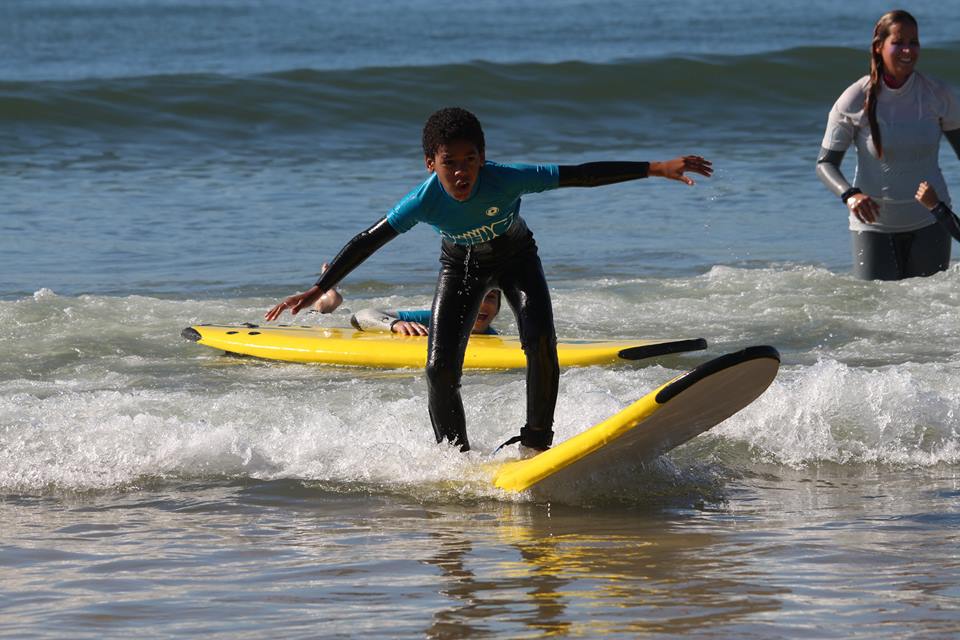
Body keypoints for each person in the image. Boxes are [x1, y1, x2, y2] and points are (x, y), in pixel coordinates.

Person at [266, 107, 712, 453]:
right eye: (449, 162)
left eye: (470, 159)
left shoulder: (506, 178)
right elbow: (369, 240)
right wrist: (320, 287)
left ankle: (536, 441)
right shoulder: (421, 202)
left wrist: (655, 167)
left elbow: (580, 175)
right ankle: (455, 456)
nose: (461, 172)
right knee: (440, 368)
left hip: (517, 257)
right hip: (459, 267)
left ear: (482, 157)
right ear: (430, 163)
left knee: (539, 341)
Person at [816, 9, 960, 280]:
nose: (908, 49)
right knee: (874, 312)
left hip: (931, 221)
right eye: (899, 42)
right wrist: (850, 195)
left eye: (914, 42)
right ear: (879, 46)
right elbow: (825, 164)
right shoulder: (854, 99)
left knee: (926, 312)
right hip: (872, 227)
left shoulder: (937, 94)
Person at [351, 289, 502, 336]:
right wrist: (396, 324)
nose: (481, 303)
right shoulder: (438, 318)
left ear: (497, 310)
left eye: (490, 297)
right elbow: (361, 316)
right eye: (474, 297)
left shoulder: (494, 338)